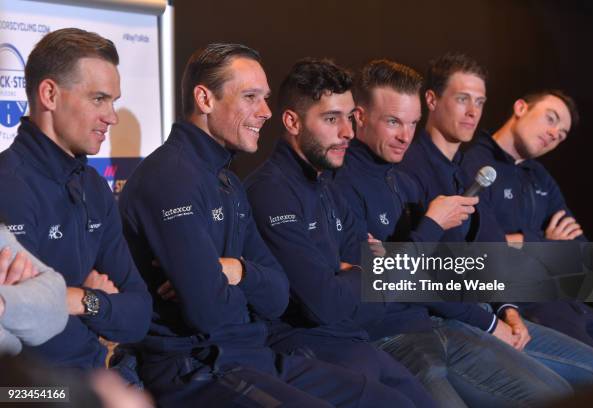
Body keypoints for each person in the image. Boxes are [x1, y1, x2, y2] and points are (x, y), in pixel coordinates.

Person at [119, 44, 419, 407]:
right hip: (200, 365)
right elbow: (212, 311)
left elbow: (277, 296)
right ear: (205, 99)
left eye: (263, 98)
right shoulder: (176, 178)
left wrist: (238, 270)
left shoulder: (227, 182)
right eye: (250, 97)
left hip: (260, 353)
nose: (265, 112)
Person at [332, 58, 582, 407]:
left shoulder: (406, 177)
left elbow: (470, 257)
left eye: (411, 123)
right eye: (393, 122)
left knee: (562, 392)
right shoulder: (350, 180)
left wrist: (504, 308)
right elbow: (393, 279)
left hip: (450, 320)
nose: (405, 135)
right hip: (397, 334)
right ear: (359, 117)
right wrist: (488, 317)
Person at [398, 53, 593, 388]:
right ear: (431, 100)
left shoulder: (471, 172)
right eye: (462, 99)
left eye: (480, 102)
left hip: (510, 304)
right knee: (582, 382)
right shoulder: (433, 165)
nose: (472, 111)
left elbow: (582, 261)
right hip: (461, 318)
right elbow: (411, 272)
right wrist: (540, 245)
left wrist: (506, 308)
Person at [245, 58, 436, 408]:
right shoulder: (270, 191)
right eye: (332, 119)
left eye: (349, 118)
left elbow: (384, 288)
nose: (347, 131)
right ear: (292, 121)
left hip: (357, 339)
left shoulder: (328, 187)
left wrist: (352, 275)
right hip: (307, 349)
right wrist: (364, 273)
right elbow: (325, 304)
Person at [0, 28, 152, 371]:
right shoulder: (7, 186)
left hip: (103, 376)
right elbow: (21, 327)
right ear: (50, 95)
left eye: (113, 101)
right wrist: (91, 305)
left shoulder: (95, 188)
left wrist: (82, 299)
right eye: (99, 99)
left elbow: (139, 313)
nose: (111, 116)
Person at [462, 90, 593, 355]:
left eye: (563, 134)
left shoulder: (540, 177)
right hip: (524, 306)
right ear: (520, 108)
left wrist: (523, 241)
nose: (555, 134)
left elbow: (584, 257)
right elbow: (484, 250)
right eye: (551, 119)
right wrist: (546, 241)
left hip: (569, 302)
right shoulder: (474, 162)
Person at [0, 223, 68, 356]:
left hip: (91, 358)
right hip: (47, 365)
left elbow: (56, 306)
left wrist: (4, 300)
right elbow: (10, 348)